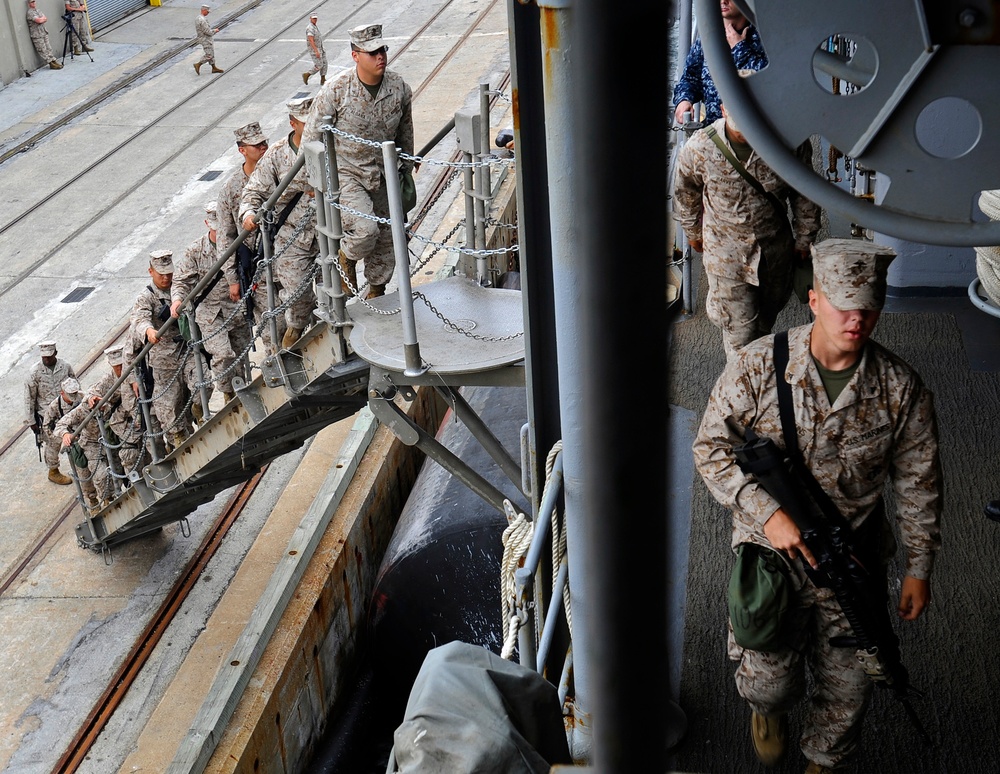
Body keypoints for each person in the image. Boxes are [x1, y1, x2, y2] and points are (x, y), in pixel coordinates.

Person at [692, 238, 942, 773]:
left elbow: (919, 485)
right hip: (773, 552)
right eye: (843, 304)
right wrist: (768, 514)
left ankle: (824, 761)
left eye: (868, 307)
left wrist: (919, 569)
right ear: (813, 300)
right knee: (769, 681)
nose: (856, 319)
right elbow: (709, 450)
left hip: (852, 554)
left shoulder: (900, 389)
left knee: (853, 681)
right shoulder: (759, 366)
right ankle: (769, 712)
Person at [672, 101, 821, 362]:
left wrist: (805, 238)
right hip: (727, 257)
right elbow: (686, 193)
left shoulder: (788, 144)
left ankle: (747, 349)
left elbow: (805, 193)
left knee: (765, 323)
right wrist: (693, 231)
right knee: (741, 339)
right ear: (723, 109)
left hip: (775, 252)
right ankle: (742, 395)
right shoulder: (701, 147)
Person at [303, 22, 414, 300]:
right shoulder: (336, 91)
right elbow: (311, 139)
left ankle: (377, 291)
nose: (380, 57)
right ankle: (347, 257)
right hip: (348, 174)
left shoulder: (398, 88)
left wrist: (406, 170)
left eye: (382, 50)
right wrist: (312, 180)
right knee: (366, 230)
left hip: (385, 172)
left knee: (389, 239)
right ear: (355, 56)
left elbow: (406, 133)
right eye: (372, 52)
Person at [239, 95, 318, 349]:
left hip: (330, 229)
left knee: (337, 287)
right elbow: (253, 193)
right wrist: (248, 215)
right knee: (297, 296)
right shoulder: (276, 155)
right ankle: (294, 331)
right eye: (305, 122)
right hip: (293, 236)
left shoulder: (330, 144)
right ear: (293, 123)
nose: (311, 127)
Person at [170, 200, 251, 406]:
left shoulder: (239, 242)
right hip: (210, 313)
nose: (219, 233)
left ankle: (241, 392)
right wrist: (177, 299)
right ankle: (228, 393)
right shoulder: (195, 251)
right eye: (215, 228)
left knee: (240, 355)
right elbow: (181, 280)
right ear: (207, 224)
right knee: (223, 354)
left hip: (235, 309)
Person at [215, 121, 286, 353]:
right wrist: (233, 278)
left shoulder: (280, 171)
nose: (263, 147)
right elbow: (226, 237)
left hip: (289, 255)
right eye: (256, 145)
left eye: (264, 142)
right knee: (271, 328)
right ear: (242, 150)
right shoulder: (231, 189)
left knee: (299, 315)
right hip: (258, 266)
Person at [130, 250, 193, 452]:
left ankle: (199, 411)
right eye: (161, 274)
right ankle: (177, 437)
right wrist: (149, 331)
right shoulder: (146, 297)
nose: (166, 278)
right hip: (164, 357)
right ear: (151, 271)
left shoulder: (179, 286)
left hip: (186, 348)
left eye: (169, 273)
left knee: (202, 383)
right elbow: (140, 319)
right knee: (169, 402)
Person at [672, 0, 766, 126]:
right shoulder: (709, 37)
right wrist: (684, 100)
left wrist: (740, 49)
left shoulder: (764, 38)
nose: (723, 1)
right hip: (716, 132)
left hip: (753, 133)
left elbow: (770, 83)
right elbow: (690, 78)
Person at [24, 340, 77, 484]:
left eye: (49, 356)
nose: (46, 359)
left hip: (67, 411)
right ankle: (53, 471)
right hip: (47, 416)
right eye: (44, 357)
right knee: (53, 445)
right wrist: (31, 422)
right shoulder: (34, 373)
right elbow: (29, 398)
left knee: (76, 439)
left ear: (55, 353)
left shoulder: (65, 367)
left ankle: (80, 465)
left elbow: (75, 386)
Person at [39, 377, 82, 485]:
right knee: (52, 448)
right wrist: (60, 437)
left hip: (79, 429)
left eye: (74, 393)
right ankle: (53, 471)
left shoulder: (81, 397)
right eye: (70, 394)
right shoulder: (54, 406)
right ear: (62, 393)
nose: (73, 397)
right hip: (60, 431)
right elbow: (46, 426)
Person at [26, 0, 63, 70]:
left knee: (48, 48)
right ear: (29, 4)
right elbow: (39, 21)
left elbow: (45, 18)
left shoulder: (38, 10)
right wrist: (41, 19)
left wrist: (41, 19)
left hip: (43, 32)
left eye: (34, 1)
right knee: (42, 49)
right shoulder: (30, 13)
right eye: (32, 2)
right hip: (37, 35)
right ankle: (50, 63)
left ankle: (53, 60)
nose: (33, 3)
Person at [194, 4, 223, 75]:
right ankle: (198, 64)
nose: (208, 13)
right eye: (207, 11)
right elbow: (207, 32)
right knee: (209, 55)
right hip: (205, 39)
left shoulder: (198, 17)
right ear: (204, 10)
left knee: (211, 53)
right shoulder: (202, 20)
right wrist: (215, 31)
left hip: (204, 38)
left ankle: (214, 67)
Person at [303, 13, 327, 85]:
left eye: (315, 18)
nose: (315, 20)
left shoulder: (314, 26)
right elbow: (311, 40)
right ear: (310, 18)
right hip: (315, 49)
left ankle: (323, 79)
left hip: (321, 48)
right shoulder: (310, 28)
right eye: (313, 18)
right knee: (319, 65)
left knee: (325, 63)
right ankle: (307, 74)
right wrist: (316, 51)